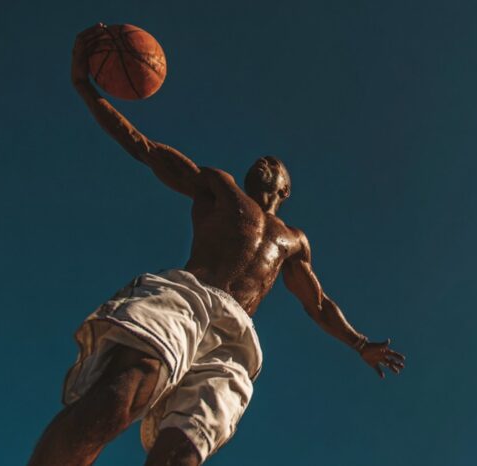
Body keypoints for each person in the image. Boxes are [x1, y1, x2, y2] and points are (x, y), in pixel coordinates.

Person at [28, 24, 406, 466]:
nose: (265, 161)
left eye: (275, 164)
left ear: (284, 190)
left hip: (235, 339)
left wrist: (360, 344)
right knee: (117, 399)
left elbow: (317, 303)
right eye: (262, 160)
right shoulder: (220, 187)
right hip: (188, 297)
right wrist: (84, 88)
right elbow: (144, 149)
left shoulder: (293, 241)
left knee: (182, 453)